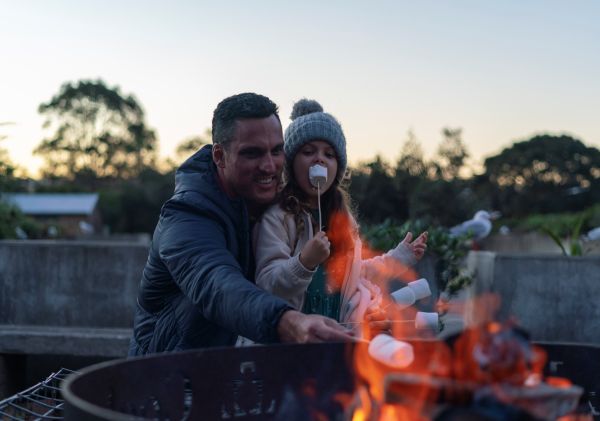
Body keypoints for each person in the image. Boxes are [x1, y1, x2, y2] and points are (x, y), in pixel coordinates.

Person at [128, 93, 354, 355]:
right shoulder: (185, 217)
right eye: (252, 153)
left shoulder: (276, 206)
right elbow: (219, 288)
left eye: (277, 151)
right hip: (169, 377)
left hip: (236, 372)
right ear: (220, 156)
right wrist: (287, 321)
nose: (270, 166)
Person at [252, 99, 427, 337]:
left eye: (329, 154)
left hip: (339, 336)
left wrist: (399, 258)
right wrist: (303, 262)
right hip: (291, 342)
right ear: (291, 165)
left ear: (338, 168)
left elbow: (355, 275)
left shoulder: (343, 221)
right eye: (308, 152)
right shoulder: (279, 217)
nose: (319, 159)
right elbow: (267, 284)